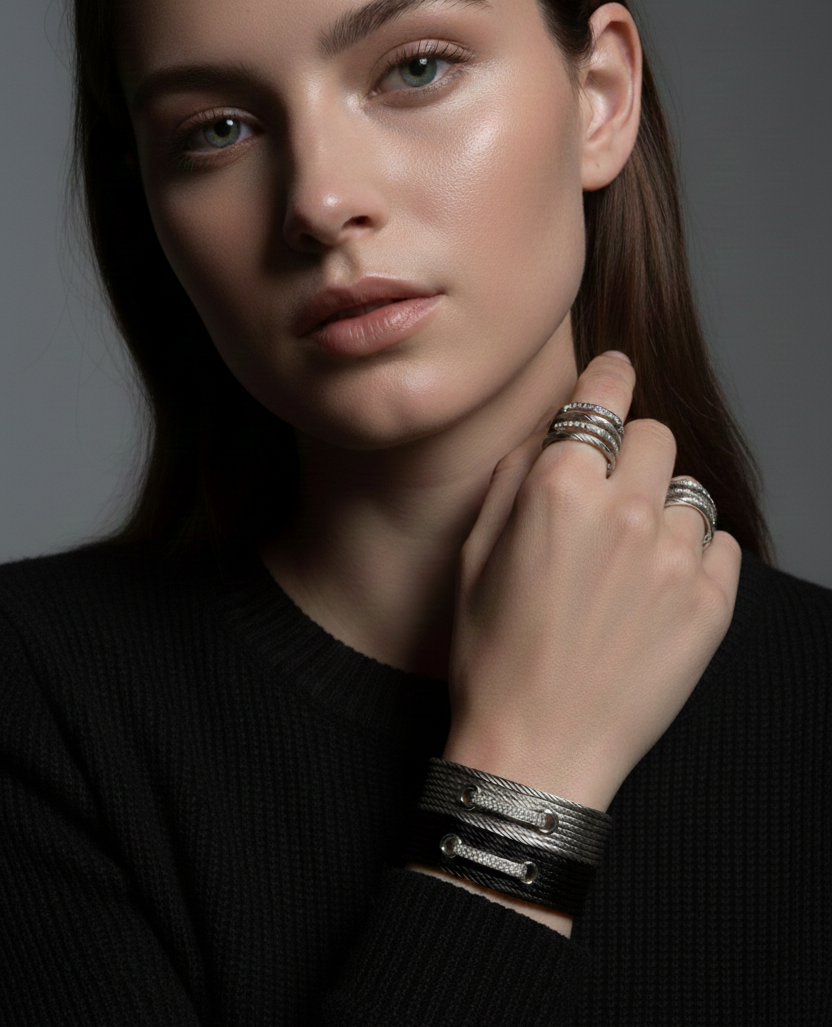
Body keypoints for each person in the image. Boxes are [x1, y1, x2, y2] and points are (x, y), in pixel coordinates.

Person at [1, 0, 829, 1022]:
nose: (319, 199)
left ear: (600, 97)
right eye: (216, 128)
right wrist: (525, 774)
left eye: (416, 69)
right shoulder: (36, 704)